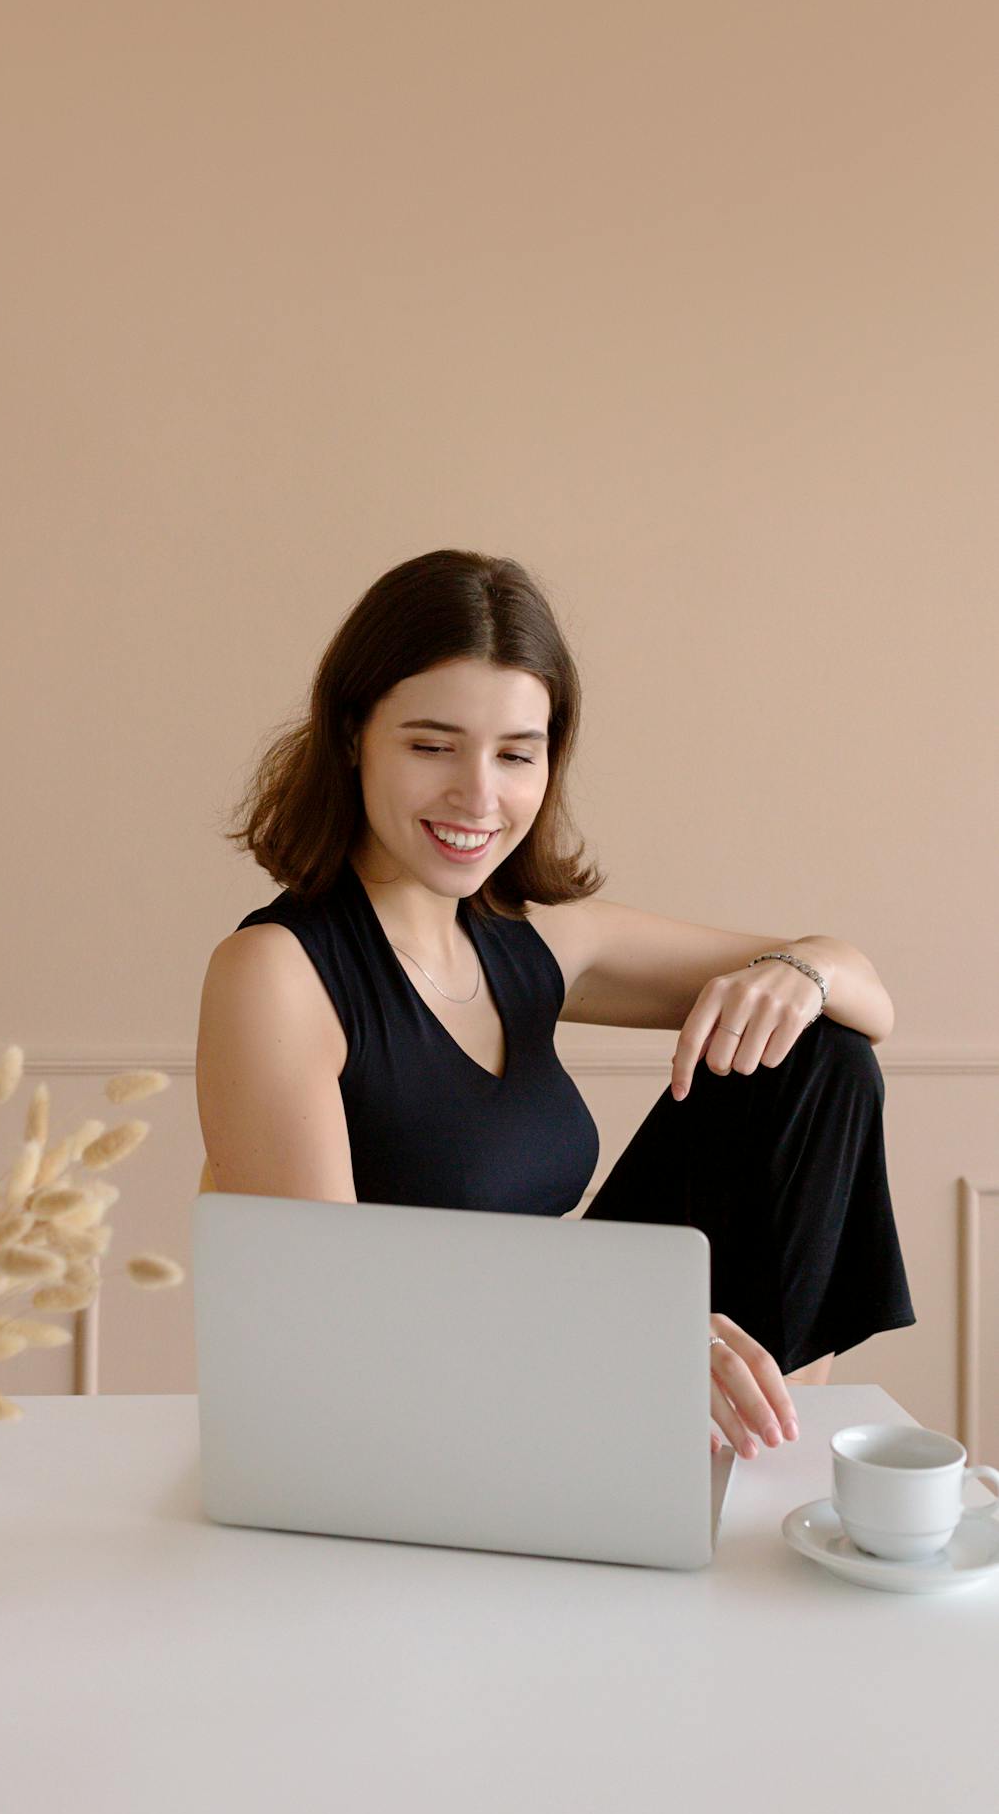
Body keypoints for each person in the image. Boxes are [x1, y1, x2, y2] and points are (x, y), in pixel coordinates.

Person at [195, 548, 915, 1463]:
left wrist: (798, 972)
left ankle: (766, 1439)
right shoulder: (276, 972)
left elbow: (866, 1001)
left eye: (514, 754)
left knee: (818, 1055)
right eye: (431, 746)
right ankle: (744, 1457)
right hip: (404, 1413)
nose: (478, 795)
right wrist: (630, 1323)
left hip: (570, 1361)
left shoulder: (538, 940)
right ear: (351, 736)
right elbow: (336, 1304)